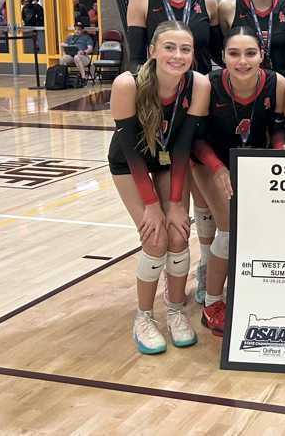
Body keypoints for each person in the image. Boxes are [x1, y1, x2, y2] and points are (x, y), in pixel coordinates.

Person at [107, 21, 210, 354]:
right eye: (169, 47)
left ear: (193, 55)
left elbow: (181, 147)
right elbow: (130, 151)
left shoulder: (199, 84)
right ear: (152, 51)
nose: (177, 55)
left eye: (185, 49)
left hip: (168, 159)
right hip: (130, 162)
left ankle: (176, 311)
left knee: (179, 234)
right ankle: (144, 317)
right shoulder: (128, 84)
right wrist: (152, 204)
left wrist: (177, 203)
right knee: (155, 237)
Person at [191, 25, 285, 336]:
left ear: (262, 55)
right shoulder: (208, 84)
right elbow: (196, 139)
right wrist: (218, 168)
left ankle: (246, 288)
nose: (242, 61)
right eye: (234, 54)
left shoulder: (277, 83)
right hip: (210, 162)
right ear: (223, 57)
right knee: (229, 231)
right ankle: (213, 303)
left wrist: (279, 154)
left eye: (250, 53)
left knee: (261, 229)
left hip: (254, 164)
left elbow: (278, 128)